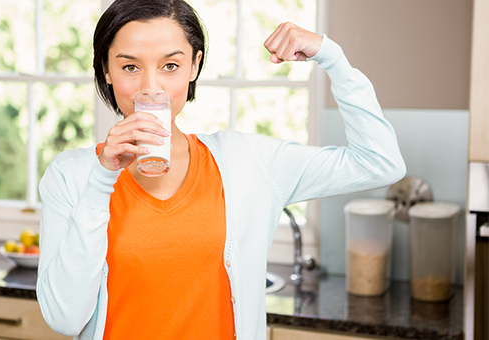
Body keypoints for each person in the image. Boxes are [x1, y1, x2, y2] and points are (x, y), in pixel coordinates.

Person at [36, 0, 406, 339]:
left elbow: (379, 163)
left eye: (170, 65)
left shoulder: (248, 162)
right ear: (107, 69)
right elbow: (63, 318)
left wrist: (332, 58)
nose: (151, 88)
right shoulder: (71, 176)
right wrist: (102, 179)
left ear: (194, 66)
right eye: (130, 66)